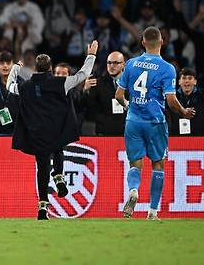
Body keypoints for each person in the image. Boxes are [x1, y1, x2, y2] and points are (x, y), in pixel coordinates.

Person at [7, 41, 98, 220]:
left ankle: (42, 206)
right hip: (56, 131)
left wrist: (16, 69)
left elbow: (9, 86)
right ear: (50, 67)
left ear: (35, 67)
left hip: (36, 135)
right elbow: (83, 74)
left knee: (41, 168)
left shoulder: (25, 87)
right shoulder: (60, 83)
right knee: (58, 147)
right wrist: (91, 55)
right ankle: (58, 176)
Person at [115, 27, 196, 220]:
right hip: (155, 122)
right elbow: (170, 100)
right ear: (162, 42)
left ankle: (134, 190)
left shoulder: (132, 64)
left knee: (135, 164)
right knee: (158, 165)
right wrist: (183, 112)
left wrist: (129, 106)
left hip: (133, 121)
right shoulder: (167, 68)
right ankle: (152, 212)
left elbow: (119, 95)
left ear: (142, 42)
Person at [84, 51, 127, 136]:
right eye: (109, 63)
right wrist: (86, 91)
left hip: (127, 134)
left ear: (123, 64)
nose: (111, 66)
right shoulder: (97, 83)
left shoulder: (132, 84)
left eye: (116, 63)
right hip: (105, 134)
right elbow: (90, 111)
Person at [167, 68, 203, 136]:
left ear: (195, 81)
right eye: (184, 78)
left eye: (190, 78)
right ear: (179, 82)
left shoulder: (202, 95)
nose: (187, 81)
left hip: (199, 139)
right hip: (176, 139)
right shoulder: (171, 97)